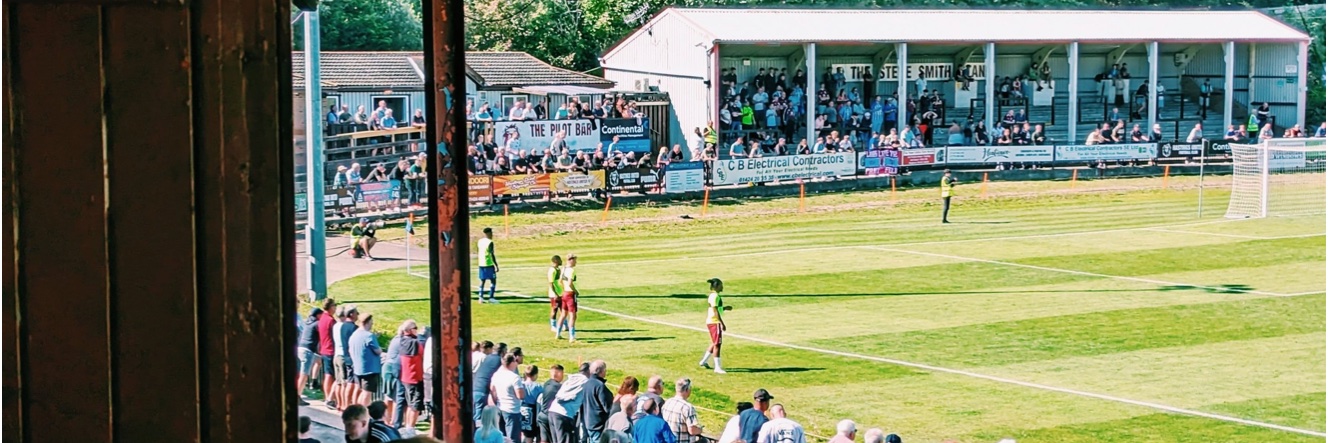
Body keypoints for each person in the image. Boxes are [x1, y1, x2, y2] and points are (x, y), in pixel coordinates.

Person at [548, 363, 590, 443]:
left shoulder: (571, 378)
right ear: (588, 371)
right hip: (564, 414)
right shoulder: (585, 381)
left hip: (553, 411)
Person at [698, 278, 732, 374]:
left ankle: (703, 361)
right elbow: (715, 310)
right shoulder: (715, 296)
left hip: (712, 321)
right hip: (714, 322)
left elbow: (716, 308)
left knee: (714, 342)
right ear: (717, 286)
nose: (722, 287)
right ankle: (717, 367)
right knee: (717, 344)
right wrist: (721, 323)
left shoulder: (713, 296)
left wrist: (724, 308)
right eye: (721, 285)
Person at [348, 314, 384, 406]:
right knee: (367, 393)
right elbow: (378, 351)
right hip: (369, 369)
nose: (372, 324)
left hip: (357, 369)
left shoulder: (354, 335)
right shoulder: (369, 336)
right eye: (371, 322)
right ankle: (362, 412)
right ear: (367, 322)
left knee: (362, 391)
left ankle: (357, 410)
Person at [492, 353, 527, 443]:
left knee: (502, 437)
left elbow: (492, 390)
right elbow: (521, 396)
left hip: (500, 408)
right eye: (515, 361)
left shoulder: (497, 374)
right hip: (512, 410)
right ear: (512, 363)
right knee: (513, 438)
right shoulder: (514, 377)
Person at [580, 360, 614, 443]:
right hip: (598, 426)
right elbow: (607, 407)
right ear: (601, 371)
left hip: (589, 423)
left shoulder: (586, 383)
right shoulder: (600, 386)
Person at [661, 378, 702, 443]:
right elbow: (692, 430)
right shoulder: (688, 407)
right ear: (687, 390)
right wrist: (700, 429)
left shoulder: (667, 402)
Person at [538, 365, 566, 443]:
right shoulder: (559, 387)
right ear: (558, 373)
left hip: (542, 414)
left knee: (544, 439)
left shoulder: (547, 383)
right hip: (551, 416)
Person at [555, 254, 580, 342]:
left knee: (563, 314)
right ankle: (571, 336)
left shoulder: (564, 269)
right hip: (570, 294)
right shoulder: (571, 271)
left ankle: (557, 333)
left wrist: (564, 288)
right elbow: (570, 283)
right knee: (573, 315)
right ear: (571, 260)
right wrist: (575, 291)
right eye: (575, 260)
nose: (576, 262)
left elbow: (560, 281)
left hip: (564, 293)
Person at [477, 227, 500, 304]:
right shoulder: (490, 242)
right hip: (488, 263)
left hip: (481, 263)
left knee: (482, 281)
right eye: (491, 233)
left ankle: (480, 298)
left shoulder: (480, 241)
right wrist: (496, 265)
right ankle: (491, 297)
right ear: (489, 233)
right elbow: (491, 254)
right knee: (493, 281)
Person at [547, 255, 564, 333]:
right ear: (556, 261)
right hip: (555, 294)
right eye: (560, 260)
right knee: (554, 309)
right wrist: (555, 294)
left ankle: (564, 324)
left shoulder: (558, 269)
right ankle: (553, 326)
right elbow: (551, 283)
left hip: (560, 292)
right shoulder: (552, 271)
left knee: (562, 309)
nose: (561, 261)